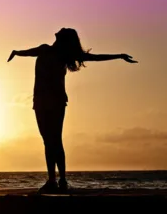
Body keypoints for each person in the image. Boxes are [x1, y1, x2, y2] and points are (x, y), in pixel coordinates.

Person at [7, 28, 138, 193]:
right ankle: (54, 181)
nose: (59, 29)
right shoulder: (44, 49)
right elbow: (28, 52)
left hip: (54, 101)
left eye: (63, 31)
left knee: (54, 140)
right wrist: (16, 52)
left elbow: (95, 58)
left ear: (63, 38)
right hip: (40, 101)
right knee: (49, 141)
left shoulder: (62, 54)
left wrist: (119, 56)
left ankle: (60, 180)